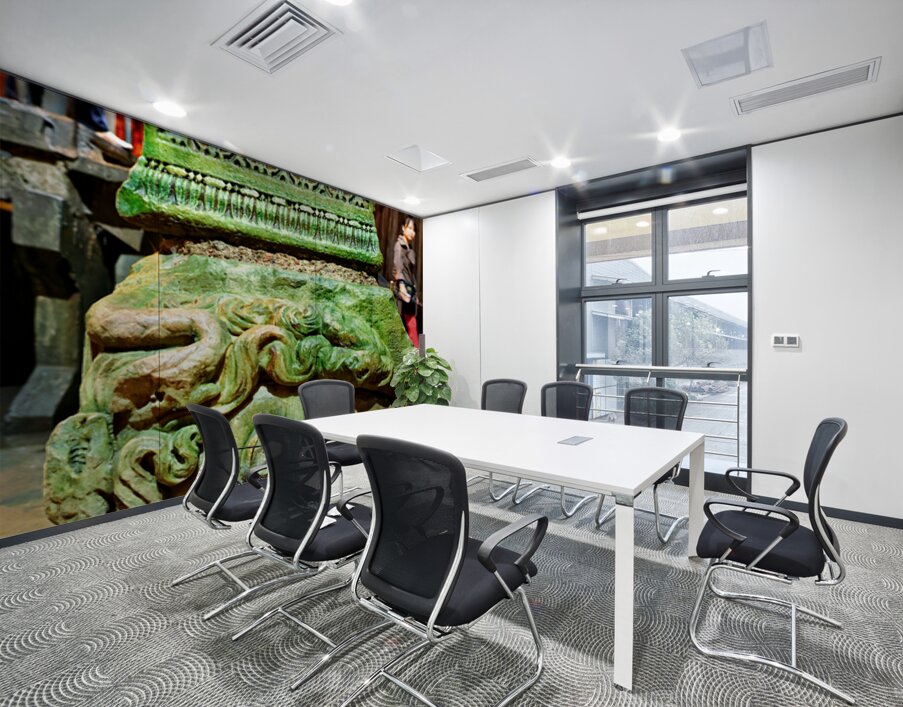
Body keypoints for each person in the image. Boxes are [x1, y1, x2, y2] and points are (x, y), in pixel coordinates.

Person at [392, 216, 419, 347]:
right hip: (401, 291)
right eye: (409, 228)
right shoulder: (399, 245)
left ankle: (418, 357)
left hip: (410, 291)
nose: (412, 232)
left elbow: (412, 274)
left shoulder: (411, 250)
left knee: (412, 325)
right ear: (403, 228)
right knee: (401, 324)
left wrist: (416, 293)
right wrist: (401, 286)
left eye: (414, 230)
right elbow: (398, 266)